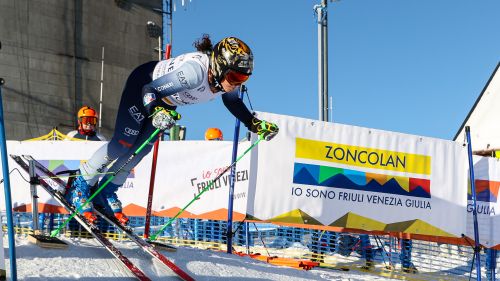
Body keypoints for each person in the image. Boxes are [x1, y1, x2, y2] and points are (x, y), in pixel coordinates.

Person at [69, 35, 279, 225]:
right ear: (219, 66)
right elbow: (149, 90)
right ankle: (80, 185)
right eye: (234, 78)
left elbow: (233, 103)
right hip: (143, 86)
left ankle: (106, 191)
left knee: (140, 150)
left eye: (243, 79)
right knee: (122, 145)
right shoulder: (194, 73)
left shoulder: (224, 81)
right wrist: (155, 110)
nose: (236, 84)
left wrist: (254, 124)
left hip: (166, 102)